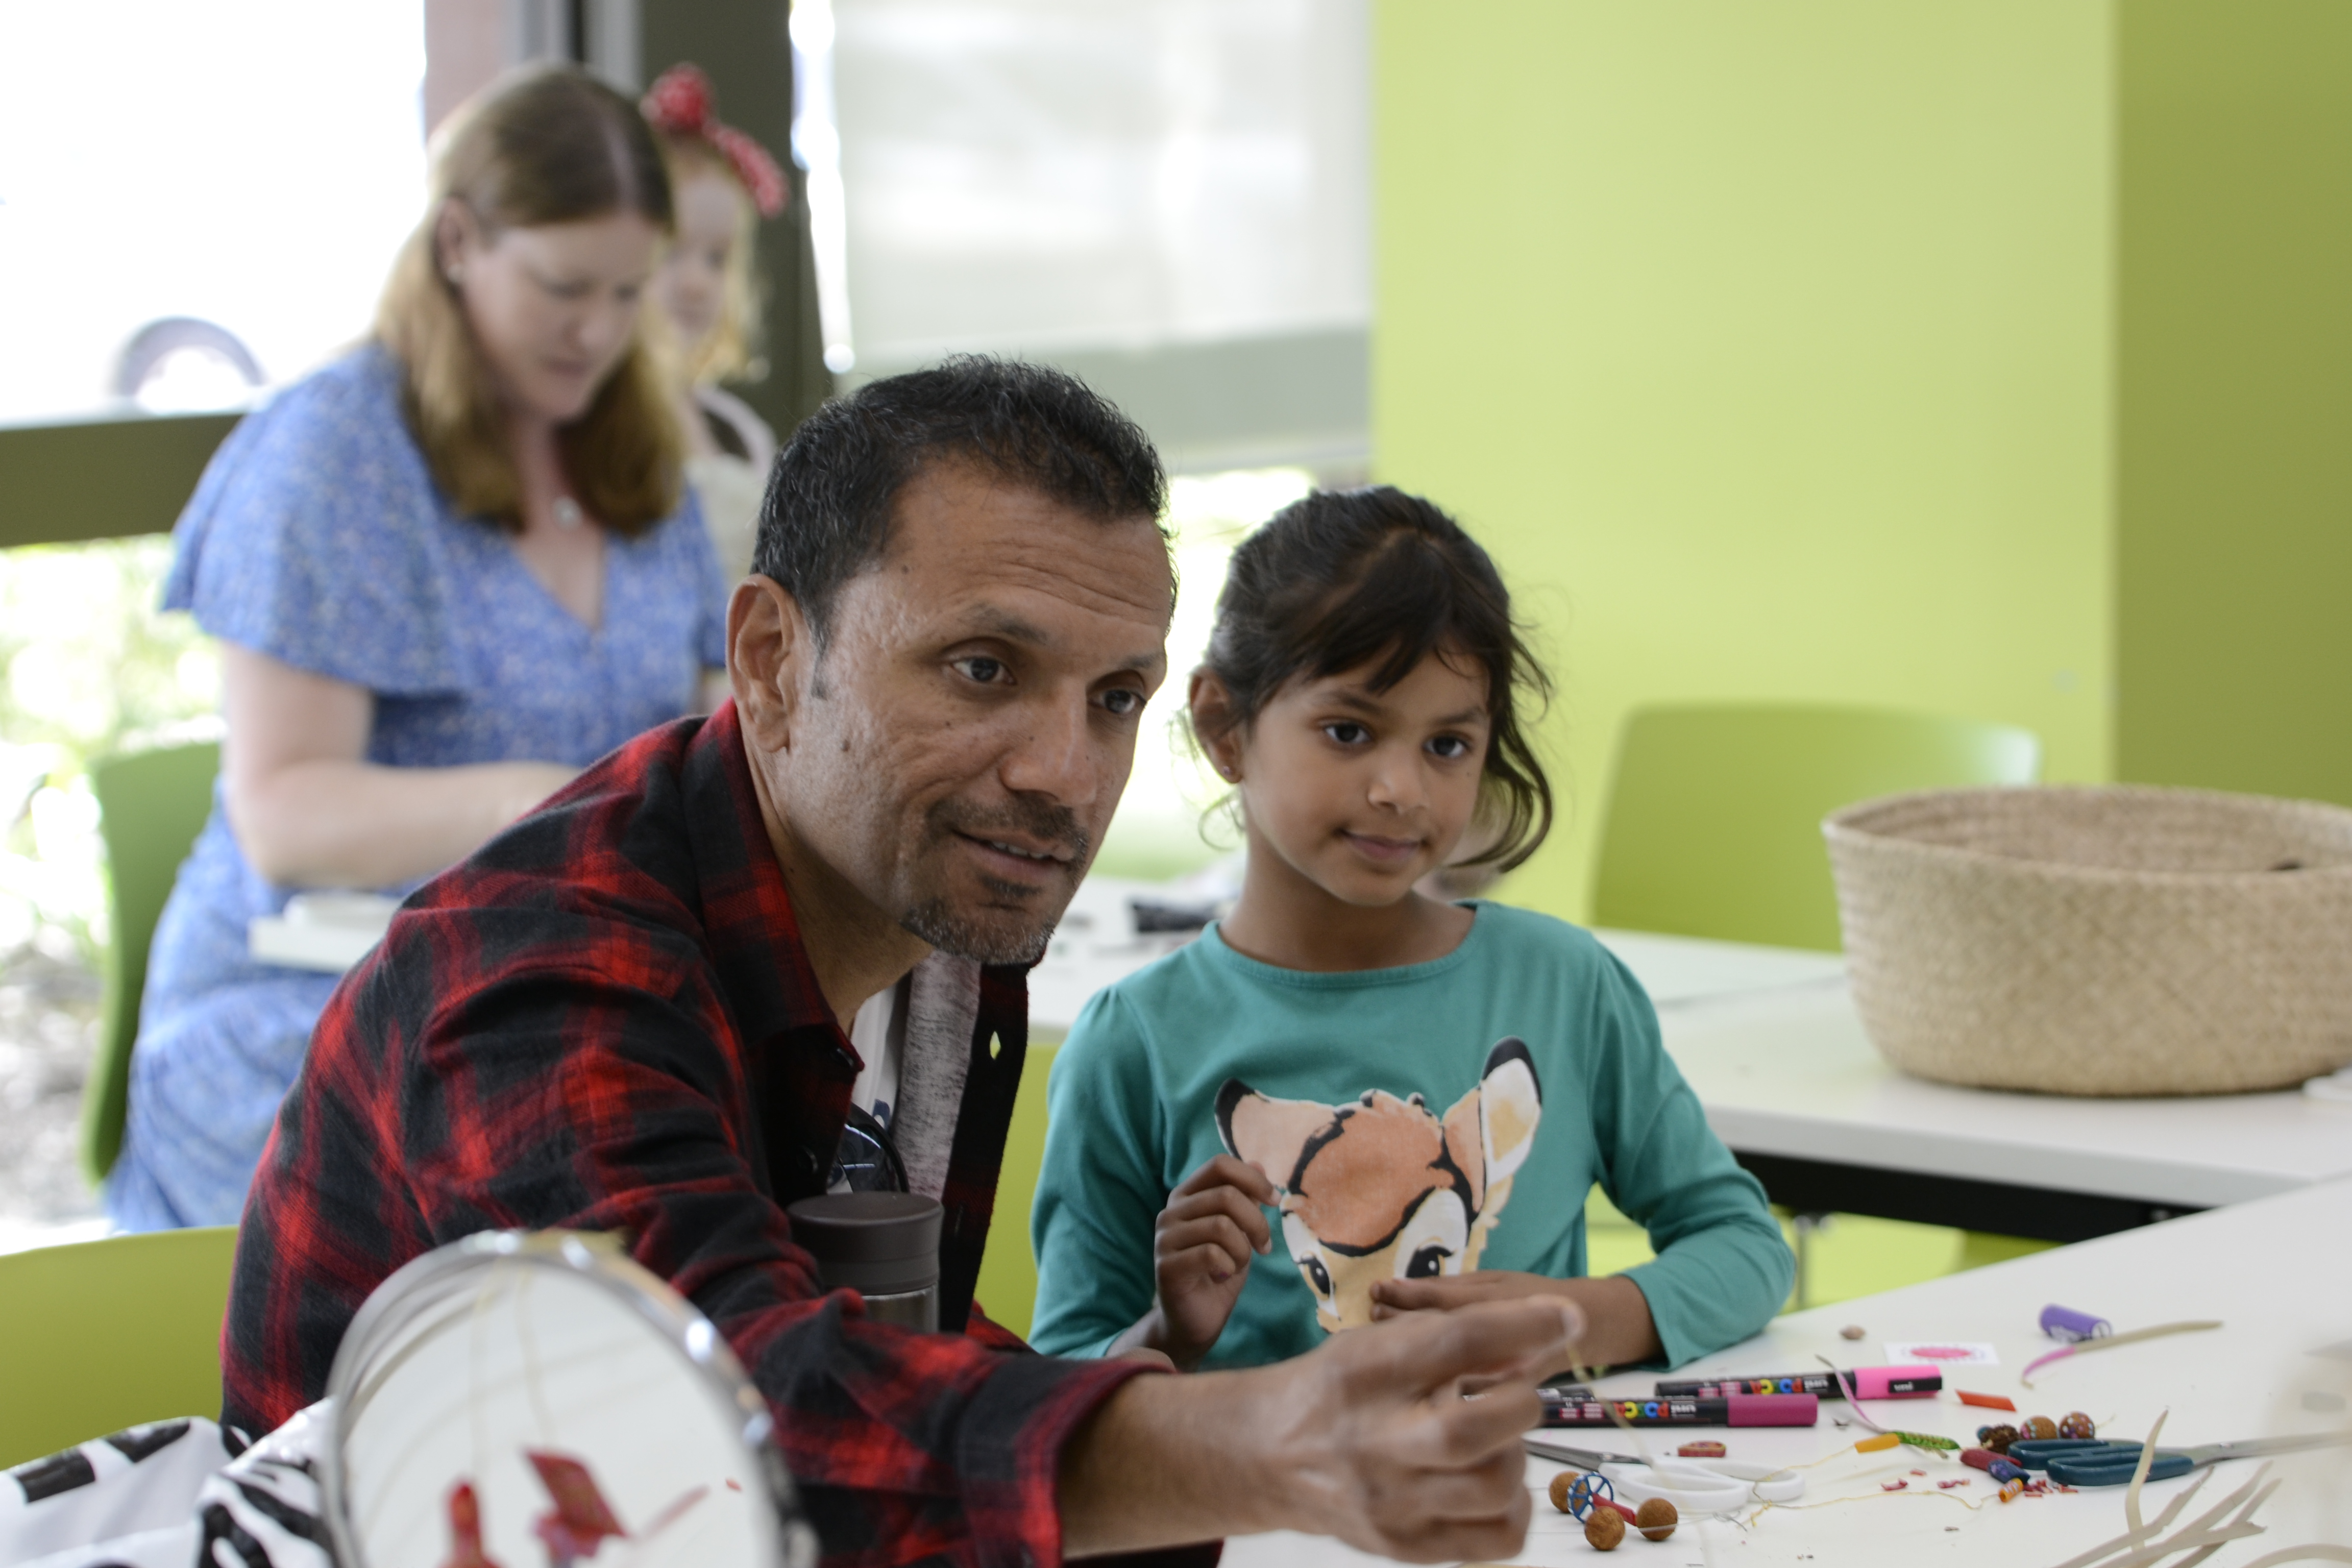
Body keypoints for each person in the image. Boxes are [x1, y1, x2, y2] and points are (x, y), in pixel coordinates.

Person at [222, 359, 1584, 1568]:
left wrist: (1168, 1386)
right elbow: (724, 1416)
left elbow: (888, 1366)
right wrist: (1258, 1438)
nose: (1064, 775)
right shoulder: (544, 969)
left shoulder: (936, 926)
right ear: (772, 659)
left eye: (1115, 698)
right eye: (984, 669)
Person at [107, 65, 729, 1232]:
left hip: (548, 991)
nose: (599, 329)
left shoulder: (635, 444)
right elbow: (284, 816)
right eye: (562, 287)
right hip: (316, 1014)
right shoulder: (336, 449)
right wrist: (543, 804)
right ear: (457, 243)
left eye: (626, 290)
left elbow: (701, 718)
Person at [1025, 487, 1794, 1373]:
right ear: (1223, 727)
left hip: (1524, 1470)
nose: (1402, 790)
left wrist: (1569, 1320)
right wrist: (1171, 1331)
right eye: (1349, 730)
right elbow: (1060, 1377)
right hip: (1254, 1472)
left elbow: (1744, 1246)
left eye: (1447, 745)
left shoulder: (1566, 987)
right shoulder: (1133, 1042)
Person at [643, 62, 785, 582]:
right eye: (671, 252)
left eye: (716, 259)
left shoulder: (739, 432)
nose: (696, 283)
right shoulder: (591, 423)